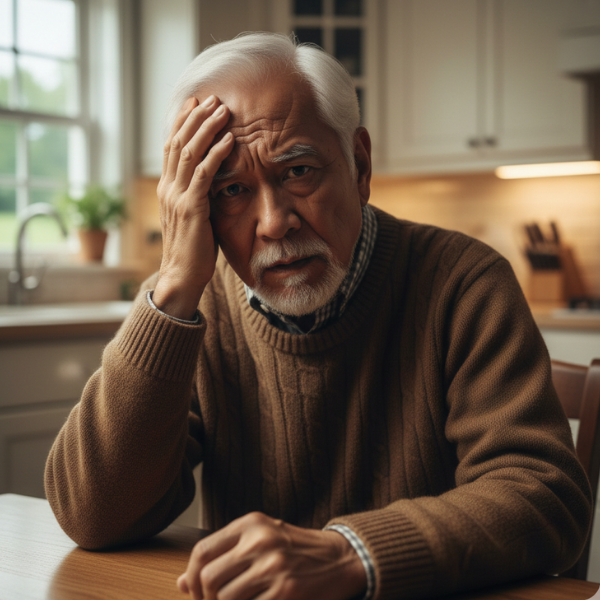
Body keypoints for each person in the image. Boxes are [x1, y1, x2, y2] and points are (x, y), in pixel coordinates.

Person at [45, 32, 592, 600]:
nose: (273, 222)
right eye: (231, 190)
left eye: (298, 172)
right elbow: (92, 516)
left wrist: (353, 555)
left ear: (359, 164)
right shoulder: (194, 304)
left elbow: (545, 497)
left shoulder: (464, 282)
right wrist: (173, 290)